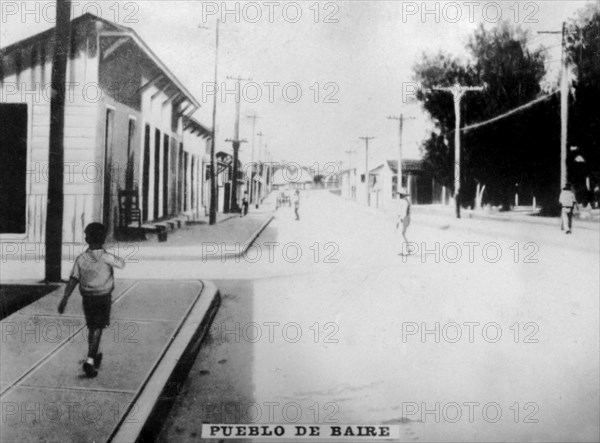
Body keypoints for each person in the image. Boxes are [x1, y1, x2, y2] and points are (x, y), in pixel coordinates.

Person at [58, 222, 125, 377]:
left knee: (93, 327)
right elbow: (121, 264)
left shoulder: (81, 259)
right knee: (98, 327)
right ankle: (90, 360)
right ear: (103, 239)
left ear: (87, 239)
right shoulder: (107, 257)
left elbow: (73, 279)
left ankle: (94, 354)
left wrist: (65, 298)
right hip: (103, 297)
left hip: (87, 298)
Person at [396, 188, 412, 254]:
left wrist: (400, 219)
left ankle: (404, 251)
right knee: (403, 234)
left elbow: (403, 212)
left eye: (401, 195)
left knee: (401, 234)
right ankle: (408, 248)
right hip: (407, 218)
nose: (400, 196)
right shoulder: (407, 201)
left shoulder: (403, 202)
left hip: (404, 218)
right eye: (400, 195)